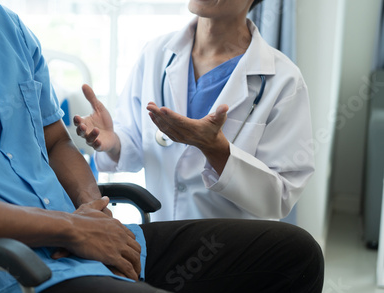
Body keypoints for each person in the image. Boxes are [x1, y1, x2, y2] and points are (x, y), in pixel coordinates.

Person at [0, 0, 323, 293]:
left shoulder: (5, 26)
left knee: (296, 256)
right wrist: (70, 226)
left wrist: (92, 210)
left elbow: (54, 139)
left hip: (78, 242)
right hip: (6, 277)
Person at [75, 0, 315, 222]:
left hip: (235, 253)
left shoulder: (284, 80)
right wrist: (114, 141)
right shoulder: (155, 54)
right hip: (164, 238)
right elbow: (136, 146)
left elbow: (280, 198)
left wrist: (218, 151)